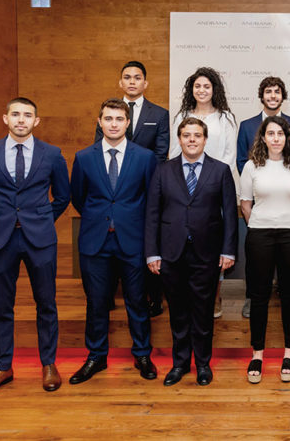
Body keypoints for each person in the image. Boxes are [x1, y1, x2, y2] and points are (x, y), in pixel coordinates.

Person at [0, 97, 70, 398]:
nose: (21, 120)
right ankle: (2, 367)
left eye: (27, 115)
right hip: (0, 239)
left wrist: (40, 219)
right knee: (2, 305)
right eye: (16, 114)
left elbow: (63, 196)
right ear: (6, 118)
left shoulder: (52, 154)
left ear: (36, 121)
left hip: (40, 238)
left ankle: (49, 364)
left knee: (46, 303)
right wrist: (3, 219)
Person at [69, 99, 158, 385]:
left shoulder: (145, 157)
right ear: (99, 122)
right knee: (96, 302)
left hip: (133, 241)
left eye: (119, 119)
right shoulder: (84, 157)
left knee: (137, 301)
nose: (114, 124)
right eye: (108, 119)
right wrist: (102, 218)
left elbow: (152, 201)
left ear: (128, 123)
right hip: (95, 241)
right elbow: (78, 197)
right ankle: (96, 356)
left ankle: (142, 354)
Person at [145, 117, 237, 387]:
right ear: (179, 139)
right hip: (171, 253)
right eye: (187, 135)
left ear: (205, 139)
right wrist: (152, 253)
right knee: (178, 312)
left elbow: (230, 214)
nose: (192, 140)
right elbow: (152, 214)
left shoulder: (220, 171)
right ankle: (180, 363)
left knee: (203, 312)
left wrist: (228, 250)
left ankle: (203, 364)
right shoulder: (163, 170)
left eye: (197, 135)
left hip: (207, 253)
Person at [94, 60, 169, 318]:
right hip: (113, 191)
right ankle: (108, 296)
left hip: (146, 188)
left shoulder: (159, 114)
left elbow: (160, 154)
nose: (132, 81)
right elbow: (99, 150)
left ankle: (154, 298)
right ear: (120, 82)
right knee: (112, 243)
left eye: (137, 77)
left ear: (145, 83)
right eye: (127, 77)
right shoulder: (108, 113)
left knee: (148, 242)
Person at [240, 116, 290, 383]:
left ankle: (289, 352)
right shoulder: (251, 166)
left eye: (281, 133)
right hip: (259, 234)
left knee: (289, 294)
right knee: (259, 295)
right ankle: (257, 354)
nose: (276, 138)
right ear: (263, 138)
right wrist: (261, 223)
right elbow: (246, 204)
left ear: (288, 137)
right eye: (271, 133)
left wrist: (287, 221)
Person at [236, 76, 290, 319]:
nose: (273, 95)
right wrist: (260, 187)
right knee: (258, 273)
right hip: (259, 200)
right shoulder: (247, 125)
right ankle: (252, 299)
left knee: (288, 275)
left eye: (277, 91)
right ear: (262, 95)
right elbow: (241, 161)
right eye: (268, 91)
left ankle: (288, 299)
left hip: (288, 206)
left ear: (283, 96)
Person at [173, 66, 238, 318]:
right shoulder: (182, 116)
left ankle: (215, 296)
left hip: (215, 189)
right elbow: (174, 153)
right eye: (197, 86)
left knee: (213, 243)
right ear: (191, 89)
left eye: (206, 86)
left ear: (214, 90)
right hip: (185, 192)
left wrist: (214, 183)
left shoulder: (226, 118)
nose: (202, 90)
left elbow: (230, 156)